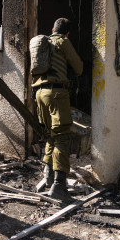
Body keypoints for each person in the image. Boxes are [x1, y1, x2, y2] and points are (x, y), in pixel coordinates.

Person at [32, 17, 83, 203]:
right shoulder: (63, 42)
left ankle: (48, 178)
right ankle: (59, 187)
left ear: (52, 28)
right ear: (66, 32)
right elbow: (78, 67)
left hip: (39, 94)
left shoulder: (43, 42)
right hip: (56, 94)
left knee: (51, 136)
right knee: (62, 137)